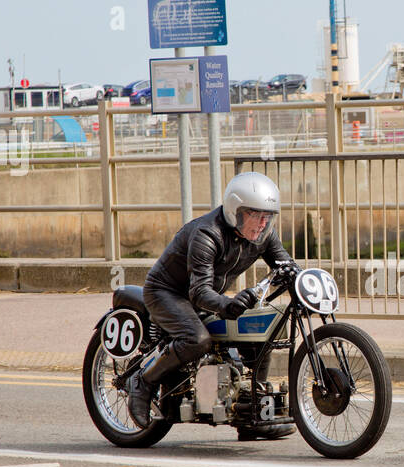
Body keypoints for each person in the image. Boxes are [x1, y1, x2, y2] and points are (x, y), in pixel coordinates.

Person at [126, 172, 295, 437]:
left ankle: (250, 414)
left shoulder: (263, 235)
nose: (262, 224)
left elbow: (286, 266)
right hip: (167, 293)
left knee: (260, 335)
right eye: (256, 215)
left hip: (205, 296)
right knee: (198, 339)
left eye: (268, 216)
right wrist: (228, 305)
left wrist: (300, 280)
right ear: (235, 211)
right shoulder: (207, 234)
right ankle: (143, 380)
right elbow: (199, 291)